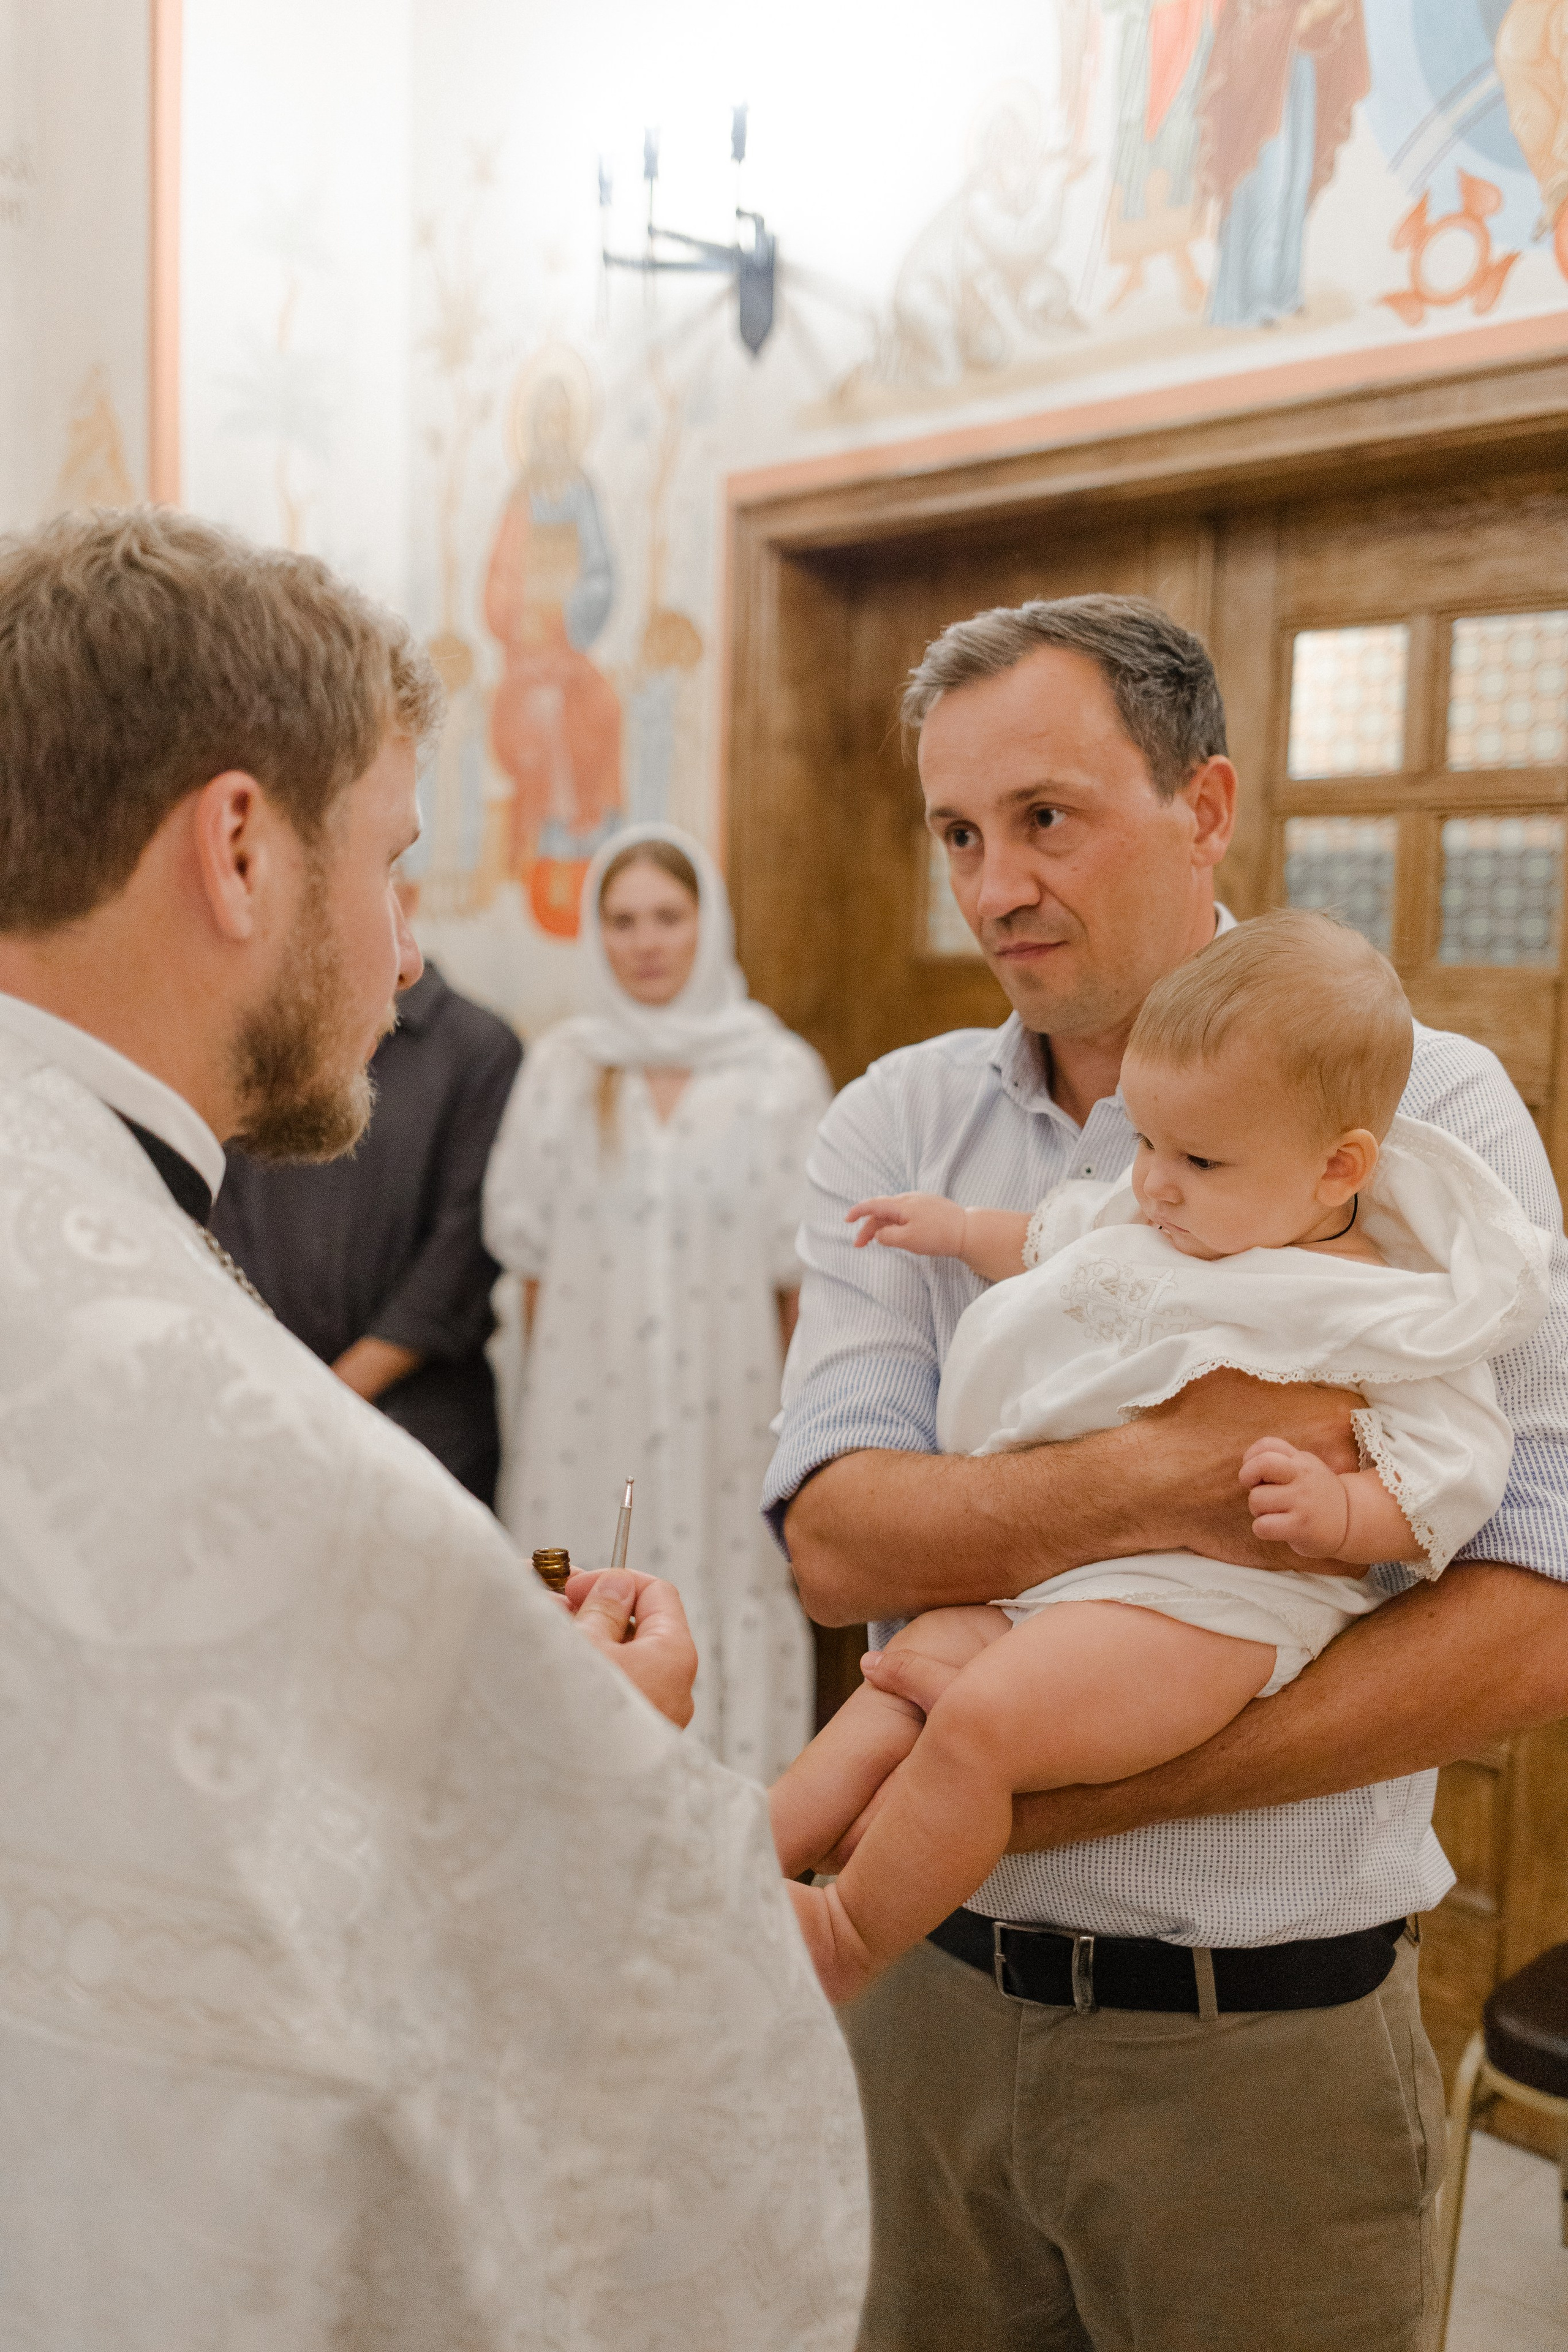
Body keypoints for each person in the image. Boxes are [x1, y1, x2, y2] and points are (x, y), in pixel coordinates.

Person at [0, 508, 867, 2350]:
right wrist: (578, 1772)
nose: (408, 948)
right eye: (394, 855)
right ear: (240, 845)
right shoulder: (216, 1413)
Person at [763, 592, 1568, 2352]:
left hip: (1255, 2053)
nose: (993, 887)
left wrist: (1045, 1784)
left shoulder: (1436, 1132)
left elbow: (1530, 1618)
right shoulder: (904, 1125)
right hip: (927, 2018)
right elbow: (835, 1540)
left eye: (1047, 818)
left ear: (1207, 807)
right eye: (958, 835)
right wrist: (1183, 1476)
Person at [771, 912, 1549, 2001]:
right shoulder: (1161, 1213)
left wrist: (1338, 1514)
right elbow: (1044, 1235)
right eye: (1142, 1142)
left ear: (1338, 1167)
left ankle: (848, 1934)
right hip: (1065, 1584)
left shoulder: (1395, 1308)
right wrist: (951, 1229)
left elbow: (1449, 1476)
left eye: (1195, 1158)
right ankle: (744, 1875)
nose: (1153, 1184)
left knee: (982, 1724)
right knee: (910, 1673)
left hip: (1208, 1615)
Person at [483, 823, 831, 1783]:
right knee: (580, 1582)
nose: (646, 942)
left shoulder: (776, 1074)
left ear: (705, 923)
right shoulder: (563, 1069)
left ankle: (745, 1852)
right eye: (624, 920)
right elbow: (532, 1269)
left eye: (668, 917)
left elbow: (797, 1281)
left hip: (730, 1415)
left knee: (724, 1598)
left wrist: (796, 1438)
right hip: (582, 1413)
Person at [213, 937, 522, 1506]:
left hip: (423, 1426)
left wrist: (328, 1395)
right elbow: (221, 1209)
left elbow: (463, 1251)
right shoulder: (258, 1025)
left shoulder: (478, 1046)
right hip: (266, 1406)